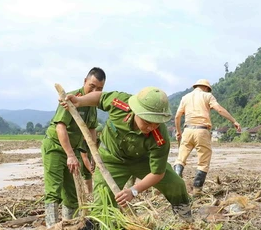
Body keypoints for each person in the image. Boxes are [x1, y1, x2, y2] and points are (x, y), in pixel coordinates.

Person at [62, 87, 191, 217]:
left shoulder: (160, 138)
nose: (151, 127)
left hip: (141, 161)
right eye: (147, 122)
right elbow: (100, 97)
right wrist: (80, 101)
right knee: (103, 202)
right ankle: (104, 229)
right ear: (136, 111)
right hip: (111, 159)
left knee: (176, 184)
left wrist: (134, 191)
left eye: (156, 124)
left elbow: (157, 173)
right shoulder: (120, 104)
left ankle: (185, 219)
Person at [42, 67, 105, 226]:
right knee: (54, 189)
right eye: (92, 86)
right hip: (56, 147)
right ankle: (52, 228)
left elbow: (91, 130)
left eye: (99, 88)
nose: (94, 90)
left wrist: (92, 155)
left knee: (71, 192)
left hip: (74, 149)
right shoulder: (71, 99)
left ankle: (70, 227)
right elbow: (60, 127)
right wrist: (70, 155)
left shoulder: (93, 104)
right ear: (85, 81)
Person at [173, 79, 242, 194]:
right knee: (203, 162)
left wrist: (178, 132)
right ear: (206, 88)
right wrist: (234, 121)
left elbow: (177, 117)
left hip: (187, 130)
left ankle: (175, 183)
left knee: (180, 159)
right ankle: (197, 190)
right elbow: (219, 109)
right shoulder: (207, 96)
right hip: (202, 131)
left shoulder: (185, 98)